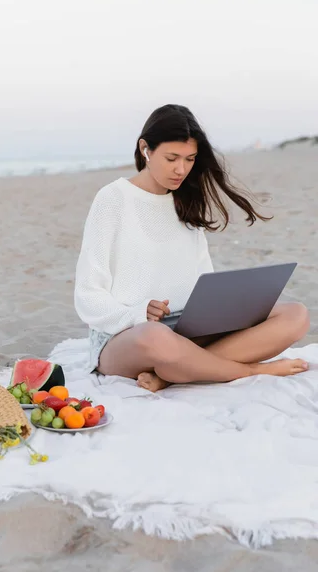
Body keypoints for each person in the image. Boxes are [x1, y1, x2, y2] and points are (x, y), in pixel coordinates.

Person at [74, 104, 310, 392]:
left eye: (190, 159)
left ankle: (170, 375)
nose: (181, 169)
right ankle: (248, 370)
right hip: (127, 337)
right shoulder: (112, 198)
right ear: (145, 149)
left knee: (295, 315)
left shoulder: (186, 201)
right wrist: (137, 313)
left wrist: (219, 307)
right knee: (155, 337)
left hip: (186, 333)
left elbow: (201, 277)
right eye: (171, 158)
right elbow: (87, 294)